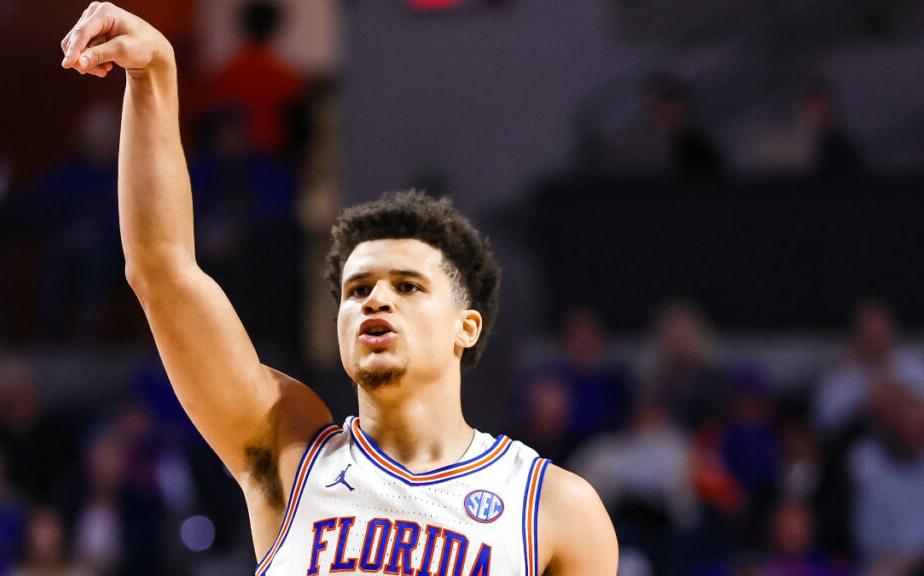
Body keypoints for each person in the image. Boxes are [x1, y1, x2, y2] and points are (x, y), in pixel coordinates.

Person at [59, 4, 617, 575]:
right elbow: (162, 271)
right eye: (357, 290)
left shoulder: (555, 508)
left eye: (407, 286)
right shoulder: (285, 446)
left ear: (465, 327)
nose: (375, 300)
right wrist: (154, 76)